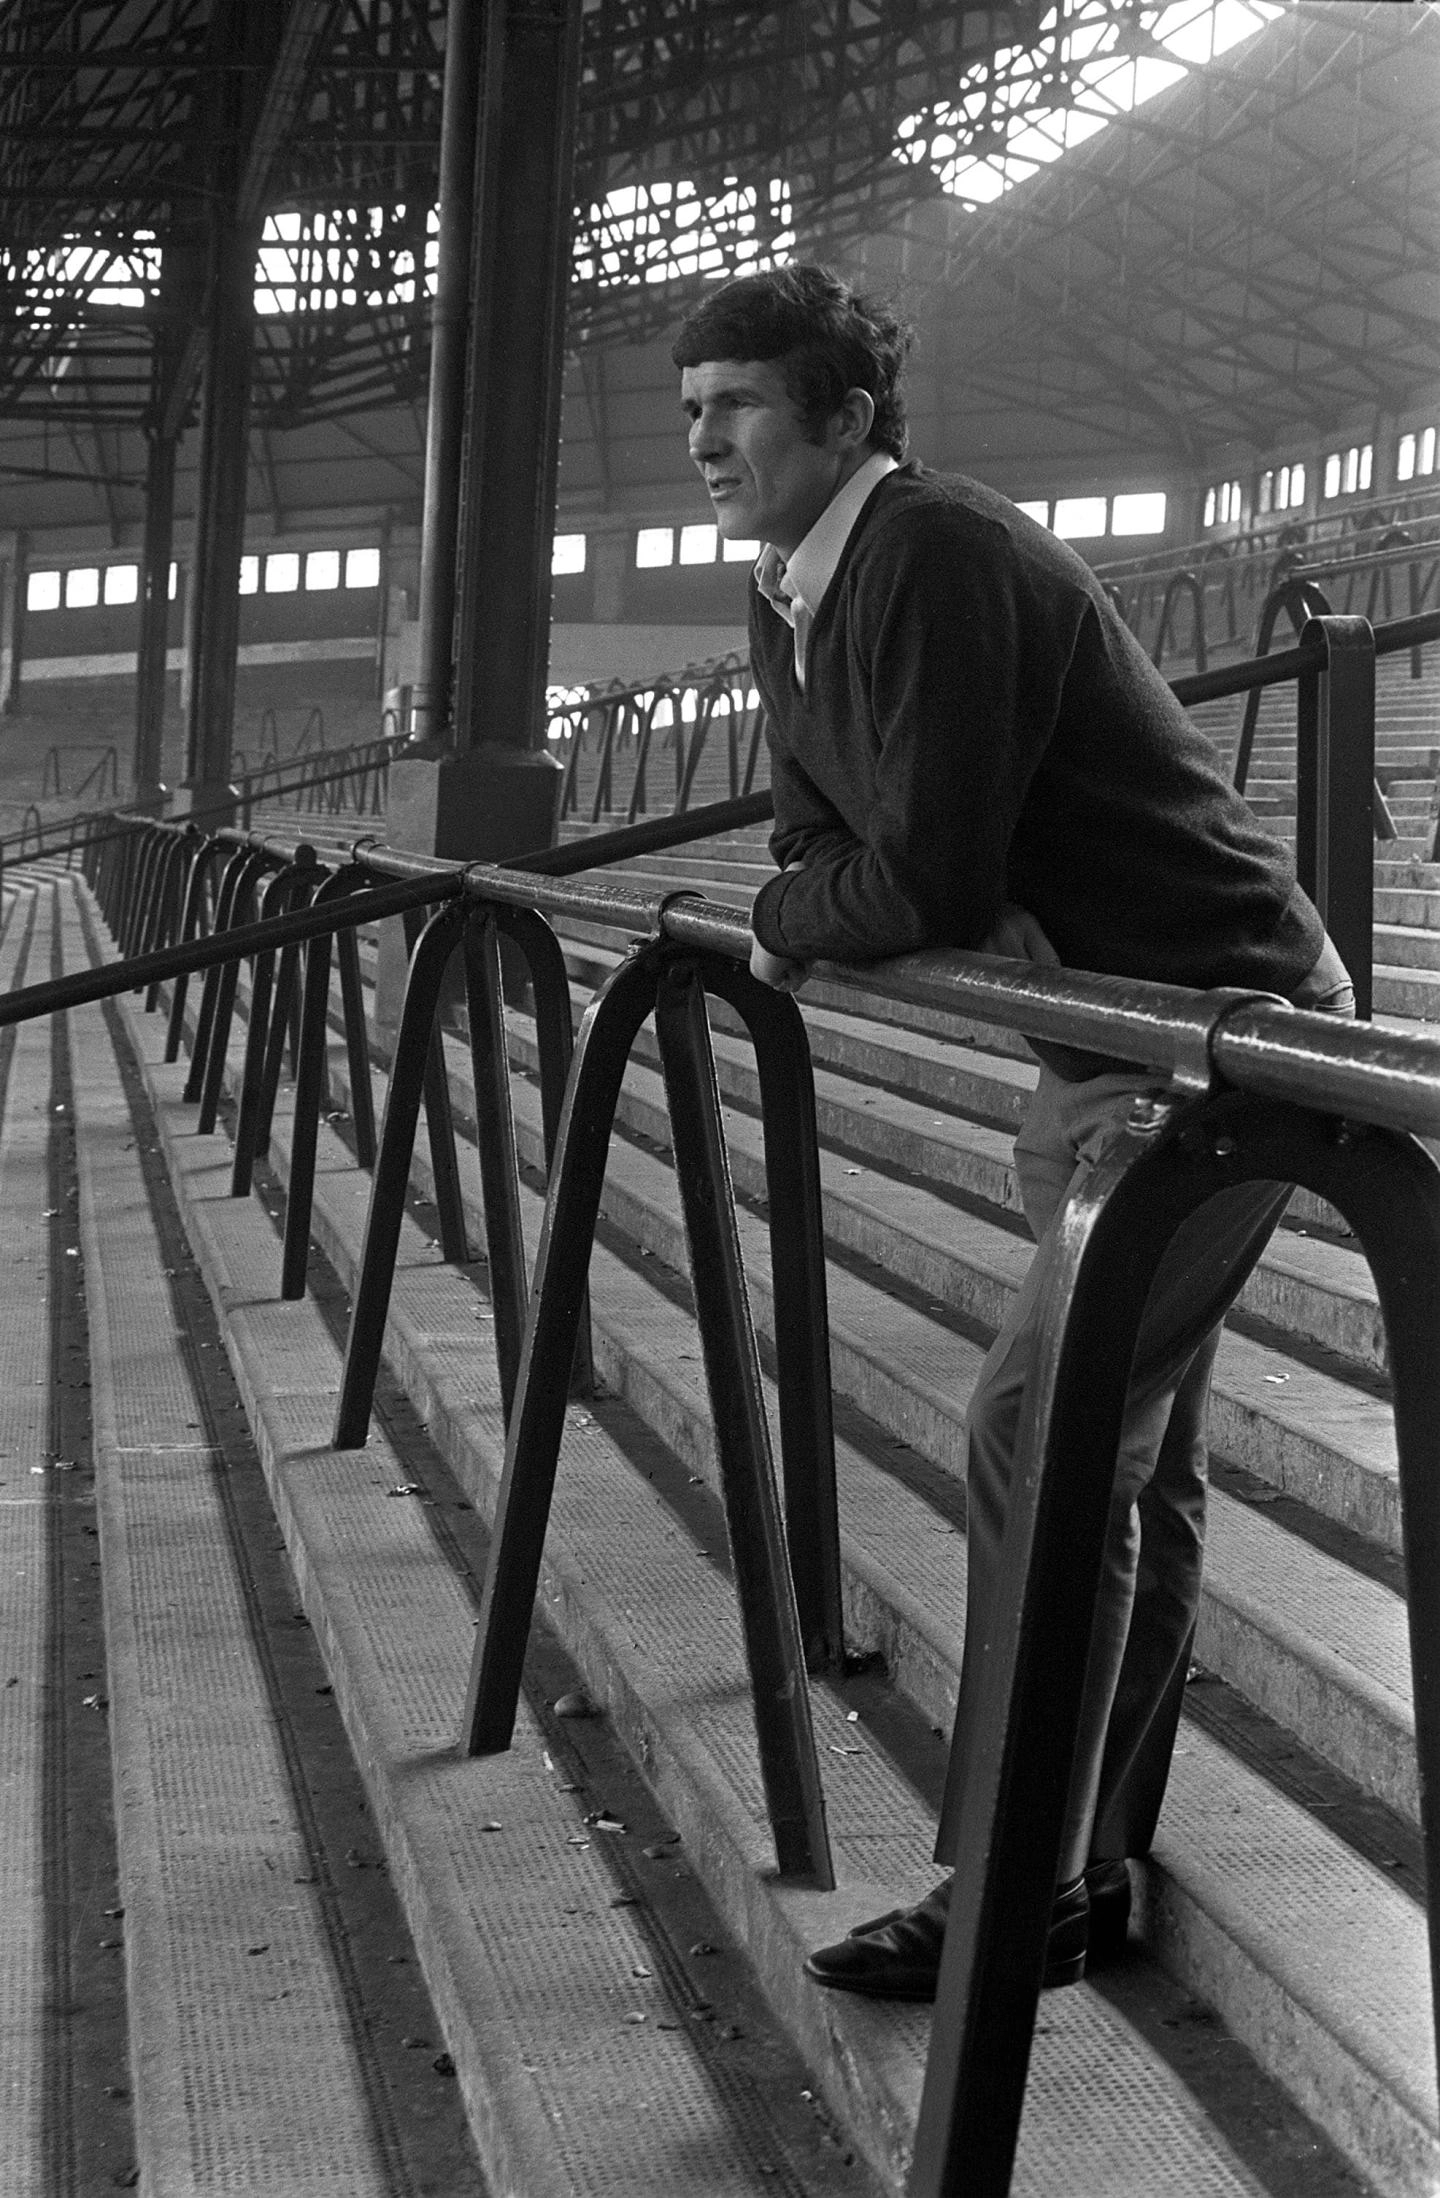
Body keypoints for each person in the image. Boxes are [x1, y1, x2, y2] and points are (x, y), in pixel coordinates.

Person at [671, 263, 1355, 2002]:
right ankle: (1097, 1854)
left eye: (740, 404)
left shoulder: (938, 554)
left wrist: (815, 900)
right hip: (1094, 1046)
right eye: (692, 406)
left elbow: (917, 875)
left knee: (1039, 1428)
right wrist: (833, 889)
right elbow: (834, 842)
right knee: (1141, 1464)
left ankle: (1006, 1884)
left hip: (1220, 1037)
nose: (705, 438)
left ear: (846, 419)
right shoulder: (792, 593)